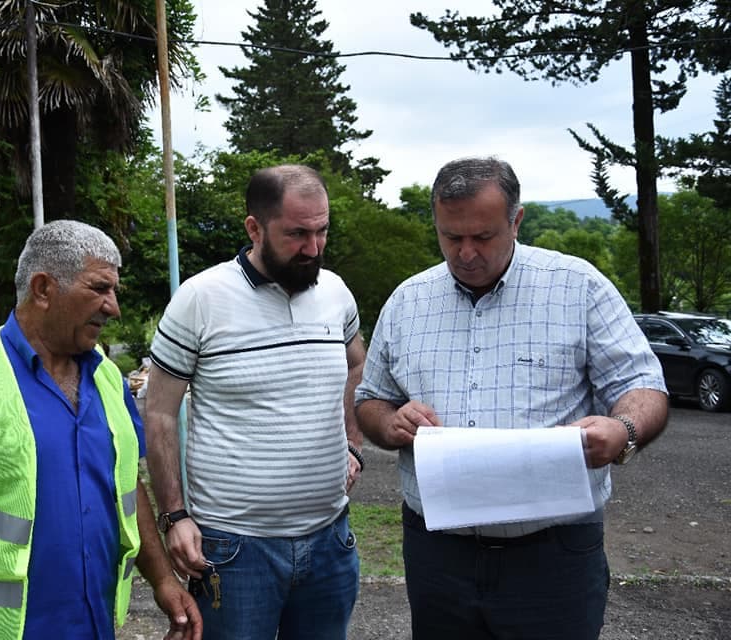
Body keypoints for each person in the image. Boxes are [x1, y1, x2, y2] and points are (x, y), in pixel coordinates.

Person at [355, 156, 669, 640]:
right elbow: (371, 399)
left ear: (516, 220)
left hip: (553, 557)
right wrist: (388, 421)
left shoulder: (577, 287)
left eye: (482, 237)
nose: (465, 253)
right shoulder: (407, 302)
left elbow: (642, 383)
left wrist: (623, 430)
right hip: (438, 555)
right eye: (450, 236)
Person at [0, 220, 201, 640]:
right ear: (43, 289)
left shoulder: (108, 380)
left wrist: (162, 579)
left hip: (93, 627)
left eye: (114, 291)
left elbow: (127, 490)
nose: (113, 307)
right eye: (99, 288)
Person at [144, 164, 366, 640]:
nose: (313, 248)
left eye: (321, 231)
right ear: (254, 228)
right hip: (233, 551)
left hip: (330, 539)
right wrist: (175, 517)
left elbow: (356, 364)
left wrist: (353, 443)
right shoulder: (200, 299)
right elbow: (159, 412)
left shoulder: (336, 293)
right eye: (297, 234)